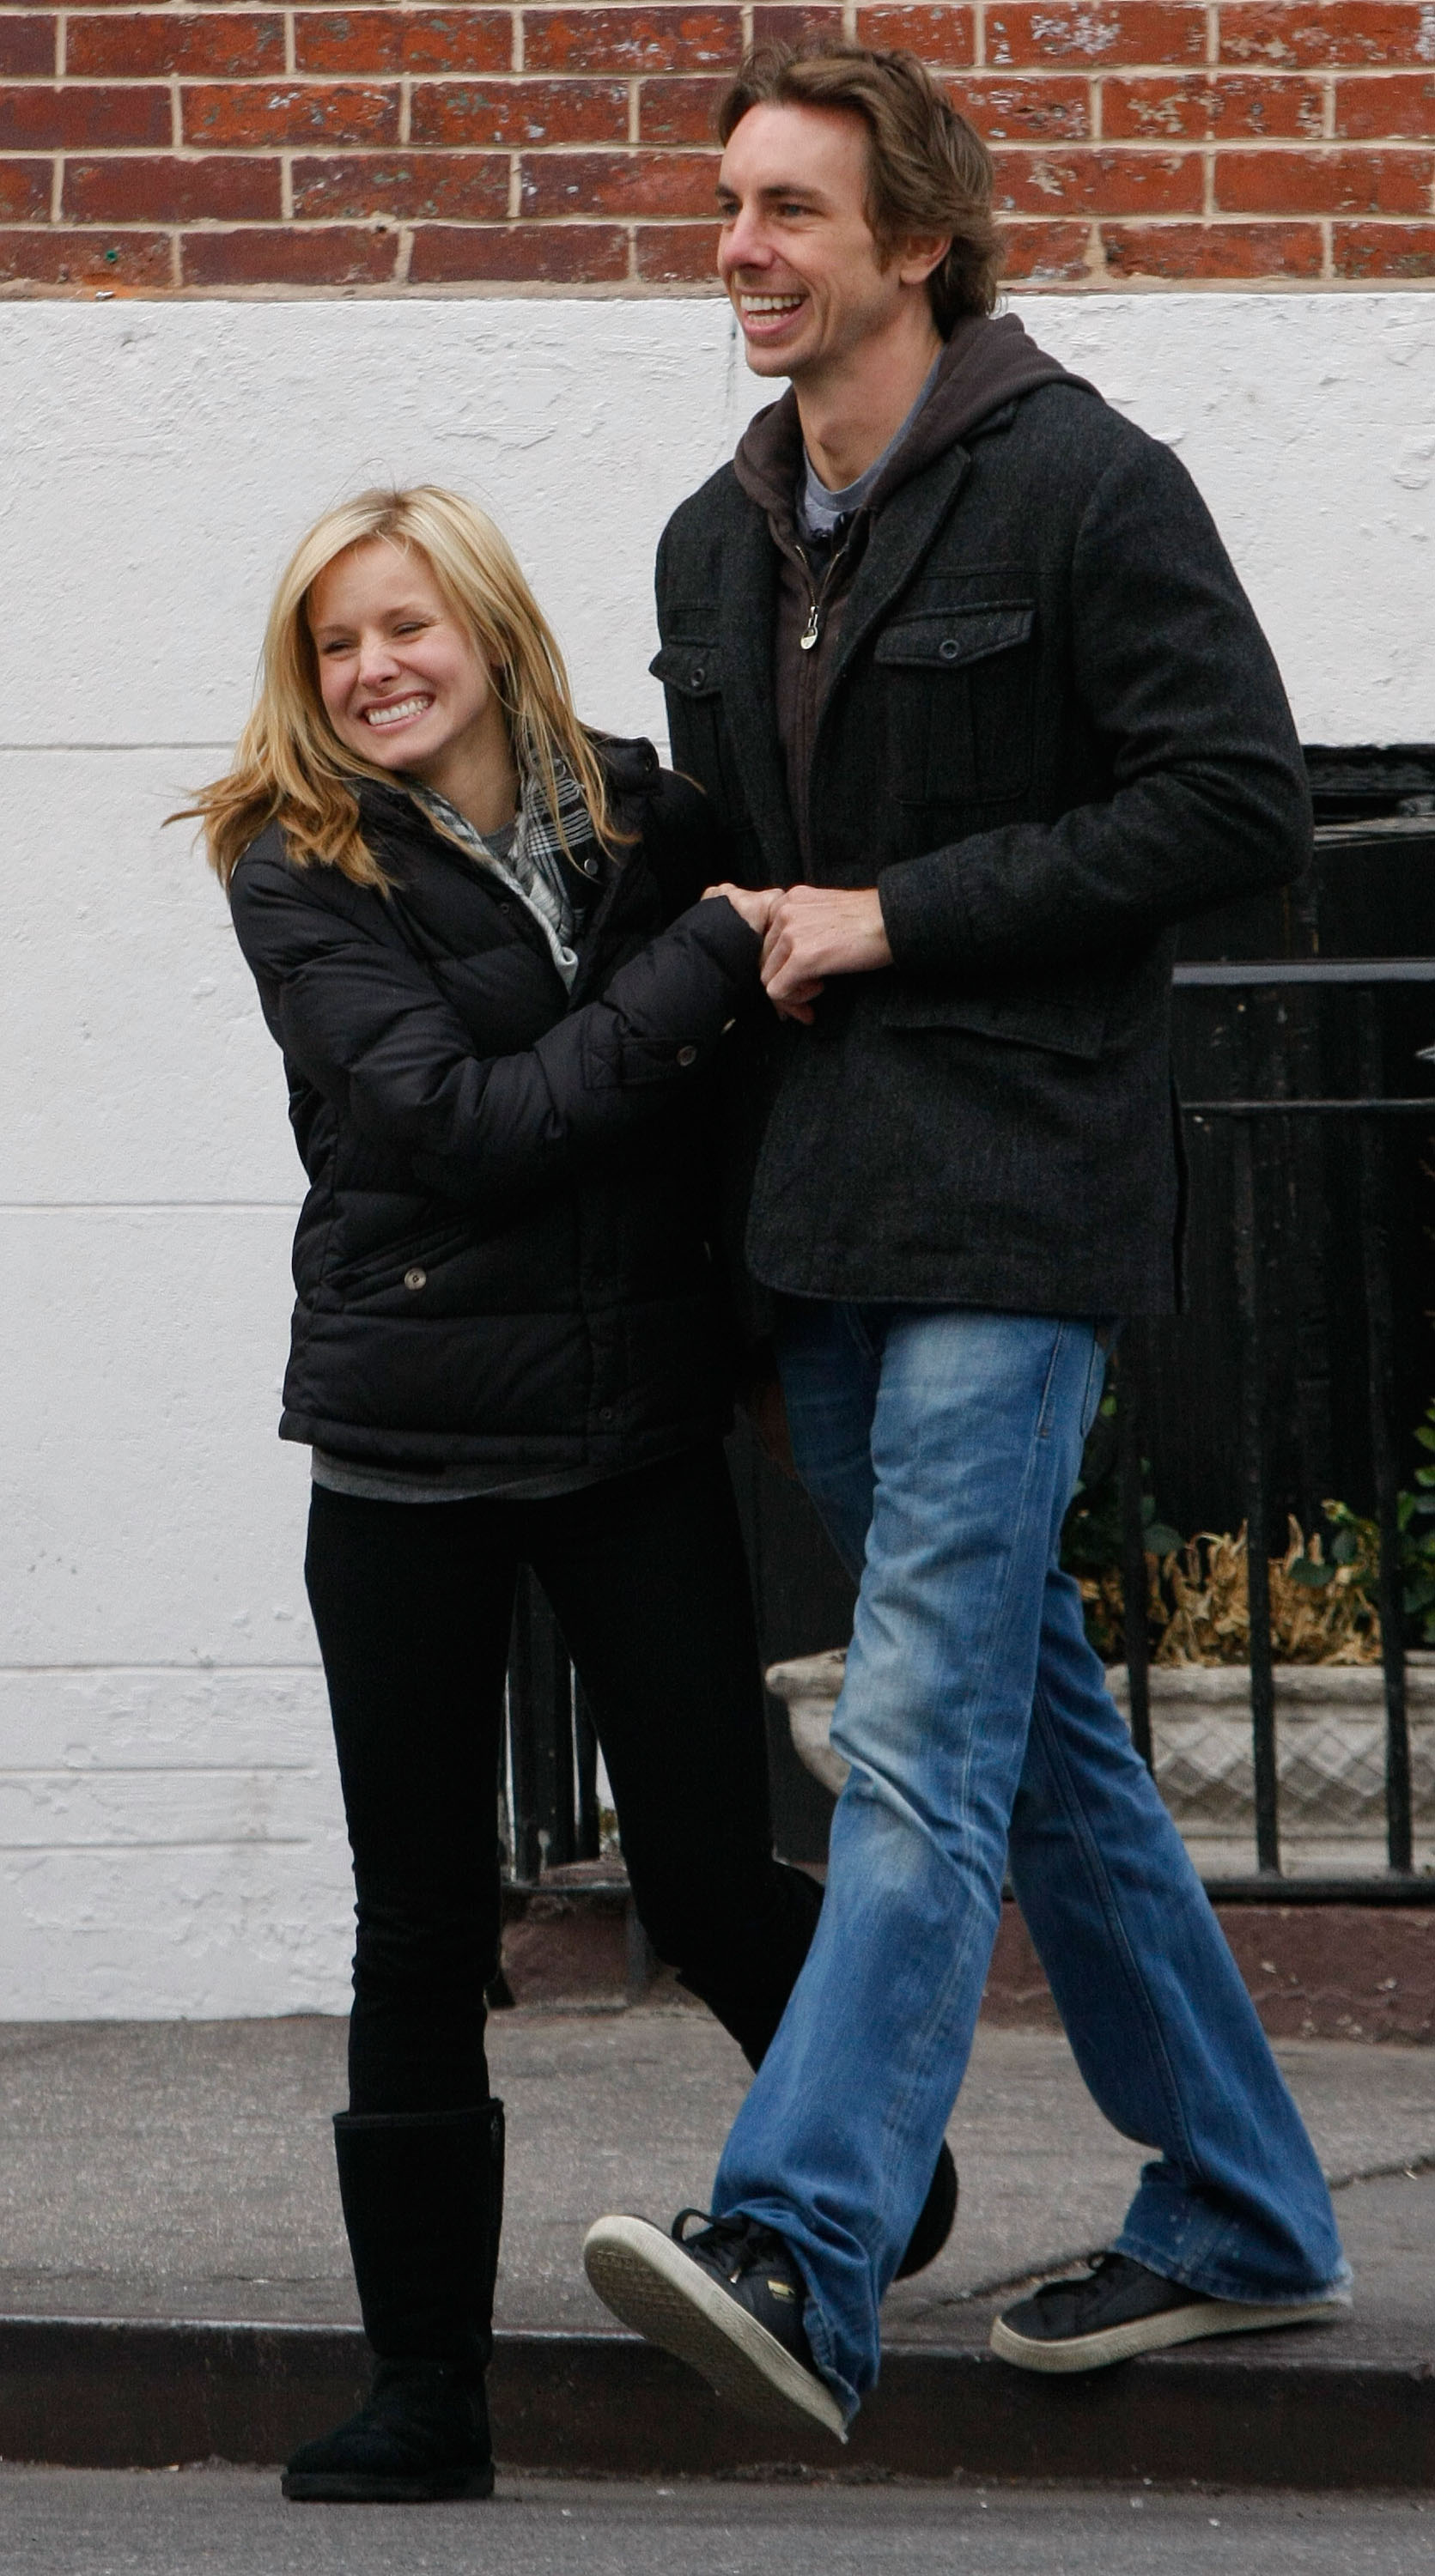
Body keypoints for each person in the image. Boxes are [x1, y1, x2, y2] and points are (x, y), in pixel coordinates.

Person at [581, 42, 1350, 2445]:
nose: (743, 246)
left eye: (793, 210)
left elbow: (1236, 803)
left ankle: (800, 2249)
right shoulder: (721, 540)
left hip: (1020, 1192)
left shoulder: (1089, 484)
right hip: (814, 1216)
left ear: (917, 240)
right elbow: (719, 847)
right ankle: (1240, 2205)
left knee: (916, 1730)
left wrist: (892, 916)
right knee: (1034, 1750)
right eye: (729, 205)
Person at [189, 483, 955, 2504]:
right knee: (421, 1926)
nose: (371, 671)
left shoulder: (659, 824)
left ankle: (855, 2169)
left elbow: (754, 1091)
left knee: (711, 1879)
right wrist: (694, 980)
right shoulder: (298, 865)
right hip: (410, 1459)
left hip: (629, 1433)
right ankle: (424, 2391)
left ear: (487, 629)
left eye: (402, 626)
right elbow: (463, 1125)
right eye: (333, 643)